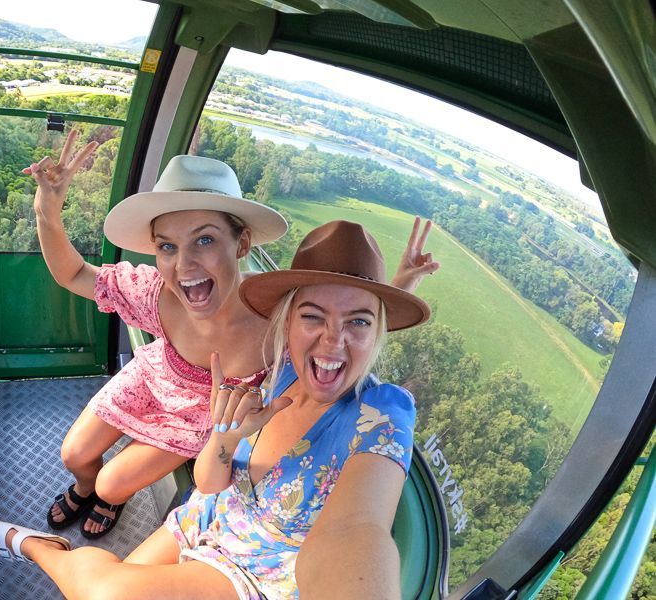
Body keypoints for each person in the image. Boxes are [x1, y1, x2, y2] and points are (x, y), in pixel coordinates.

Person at [0, 219, 431, 599]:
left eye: (359, 322)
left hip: (258, 575)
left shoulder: (383, 415)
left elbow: (358, 530)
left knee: (105, 593)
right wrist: (224, 436)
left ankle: (42, 550)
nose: (333, 340)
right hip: (207, 517)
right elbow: (209, 483)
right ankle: (53, 549)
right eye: (312, 317)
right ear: (287, 323)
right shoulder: (280, 371)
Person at [25, 130, 438, 538]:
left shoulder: (273, 316)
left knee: (111, 485)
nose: (183, 265)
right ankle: (84, 489)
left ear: (241, 245)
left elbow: (338, 323)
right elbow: (74, 274)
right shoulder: (154, 294)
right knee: (74, 455)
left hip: (204, 415)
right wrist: (47, 212)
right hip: (151, 379)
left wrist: (399, 285)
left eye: (204, 239)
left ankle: (107, 498)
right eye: (167, 246)